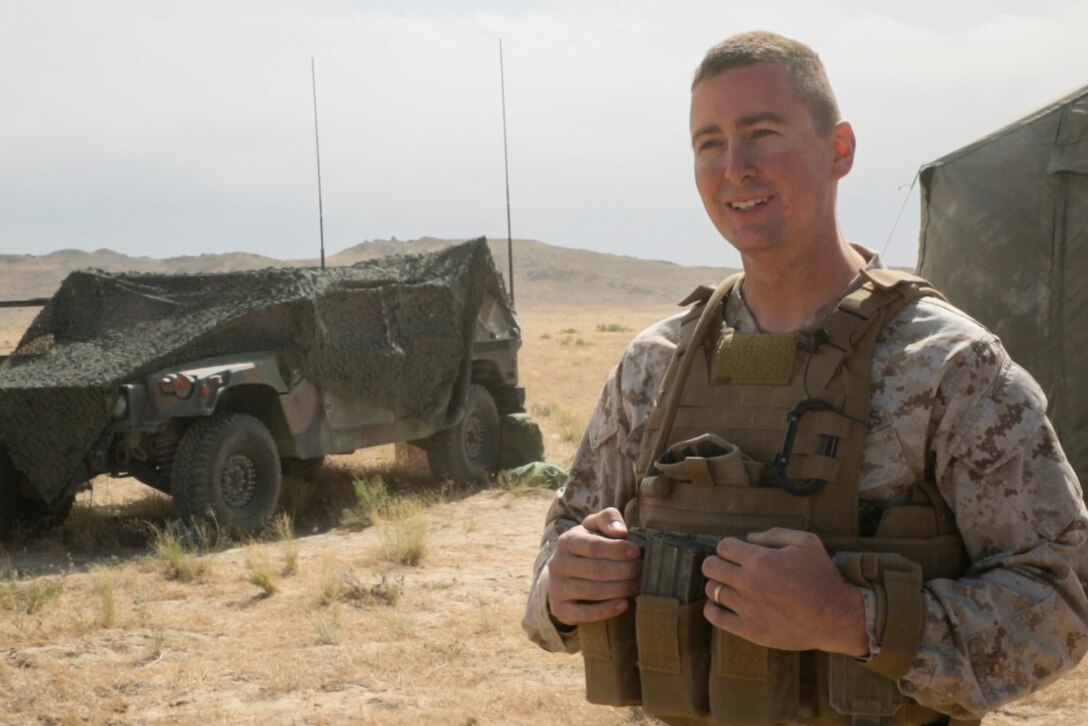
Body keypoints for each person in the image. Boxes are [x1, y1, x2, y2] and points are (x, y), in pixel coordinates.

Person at [523, 30, 1088, 724]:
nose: (735, 167)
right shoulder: (653, 365)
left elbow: (1059, 603)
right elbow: (559, 558)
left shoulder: (949, 367)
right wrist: (563, 590)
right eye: (710, 143)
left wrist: (854, 619)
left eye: (762, 133)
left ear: (838, 149)